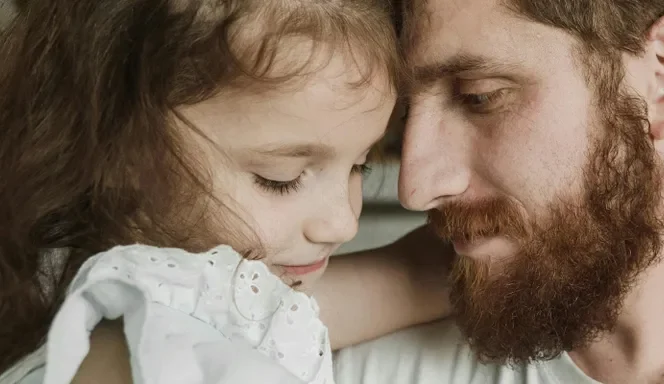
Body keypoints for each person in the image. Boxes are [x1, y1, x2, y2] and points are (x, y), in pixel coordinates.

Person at [0, 1, 451, 383]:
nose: (343, 223)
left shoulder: (231, 300)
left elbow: (415, 275)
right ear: (120, 155)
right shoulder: (134, 327)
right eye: (281, 178)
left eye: (360, 165)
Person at [334, 0, 664, 383]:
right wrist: (399, 279)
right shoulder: (367, 366)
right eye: (405, 116)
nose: (415, 190)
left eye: (480, 97)